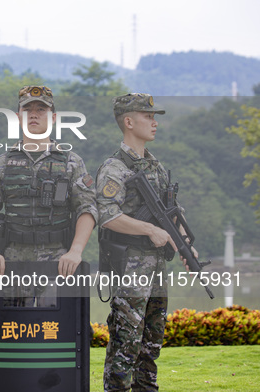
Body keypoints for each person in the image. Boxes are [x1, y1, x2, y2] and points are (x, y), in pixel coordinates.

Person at [96, 93, 196, 391]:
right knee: (126, 340)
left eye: (154, 117)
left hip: (155, 267)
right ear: (128, 121)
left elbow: (171, 212)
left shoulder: (155, 166)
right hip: (130, 265)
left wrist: (186, 245)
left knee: (152, 341)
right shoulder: (114, 168)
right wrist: (149, 230)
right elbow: (107, 215)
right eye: (148, 116)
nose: (154, 123)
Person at [0, 85, 97, 306]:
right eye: (27, 109)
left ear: (54, 117)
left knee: (56, 331)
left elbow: (87, 209)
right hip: (12, 260)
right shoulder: (3, 163)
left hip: (59, 260)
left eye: (41, 109)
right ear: (18, 117)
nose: (33, 114)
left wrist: (75, 252)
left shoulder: (71, 162)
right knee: (12, 331)